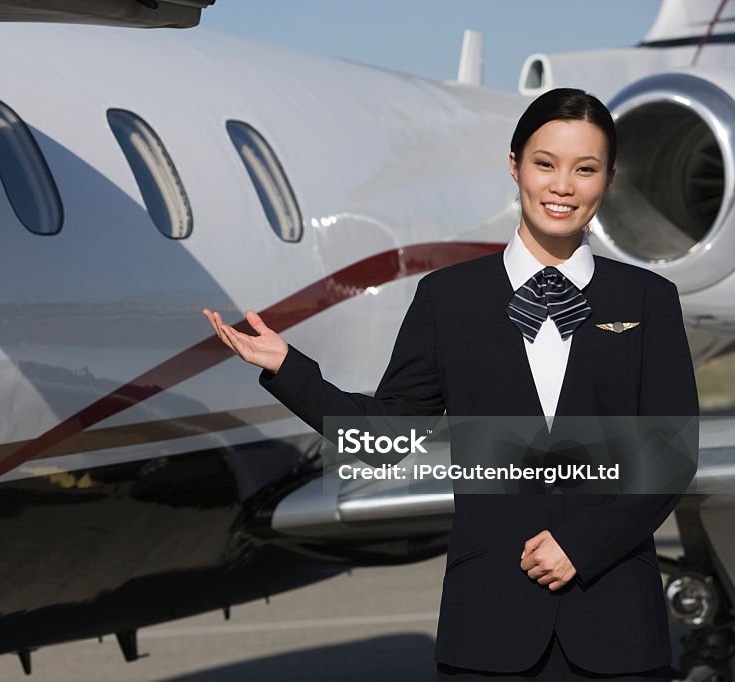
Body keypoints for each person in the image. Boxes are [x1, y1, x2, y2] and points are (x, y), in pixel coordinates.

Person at [202, 88, 699, 680]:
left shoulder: (648, 300)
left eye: (584, 169)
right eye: (545, 164)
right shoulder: (447, 300)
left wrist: (583, 546)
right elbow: (381, 436)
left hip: (617, 625)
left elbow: (670, 456)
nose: (562, 186)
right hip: (489, 629)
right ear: (515, 167)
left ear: (608, 179)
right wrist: (289, 369)